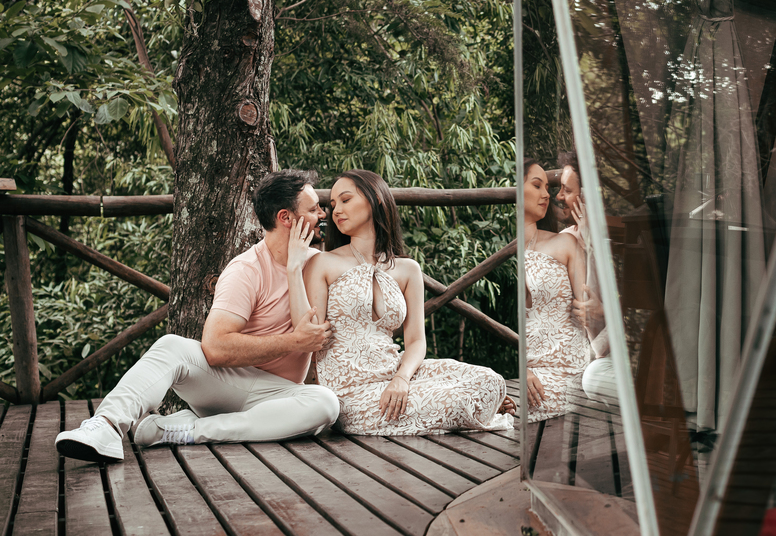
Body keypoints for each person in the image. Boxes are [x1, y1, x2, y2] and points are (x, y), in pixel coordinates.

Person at [55, 170, 341, 463]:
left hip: (277, 398)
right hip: (227, 387)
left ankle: (186, 430)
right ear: (286, 218)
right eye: (314, 208)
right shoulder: (246, 270)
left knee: (325, 404)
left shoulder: (317, 264)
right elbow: (215, 348)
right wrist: (293, 341)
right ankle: (105, 427)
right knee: (172, 346)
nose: (322, 213)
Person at [295, 169, 515, 435]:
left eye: (345, 200)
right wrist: (293, 269)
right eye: (332, 205)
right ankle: (472, 408)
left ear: (375, 197)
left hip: (395, 372)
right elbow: (309, 334)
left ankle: (472, 405)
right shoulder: (323, 263)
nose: (336, 210)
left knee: (491, 381)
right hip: (351, 392)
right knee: (458, 399)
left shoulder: (408, 269)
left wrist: (401, 379)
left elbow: (416, 342)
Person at [523, 158, 592, 421]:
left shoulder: (566, 243)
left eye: (548, 188)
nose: (547, 195)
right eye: (537, 185)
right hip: (526, 370)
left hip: (566, 367)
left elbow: (589, 306)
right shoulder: (503, 253)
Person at [554, 151, 617, 408]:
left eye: (566, 191)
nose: (559, 197)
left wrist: (592, 247)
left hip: (617, 353)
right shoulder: (566, 240)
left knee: (591, 378)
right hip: (586, 351)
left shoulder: (614, 241)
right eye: (560, 189)